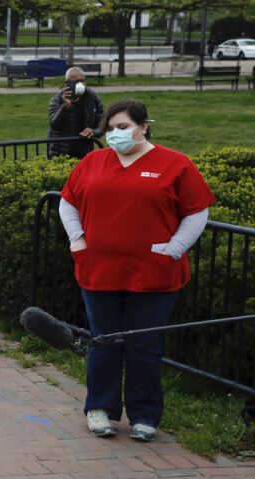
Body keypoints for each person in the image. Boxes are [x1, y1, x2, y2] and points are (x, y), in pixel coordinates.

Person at [59, 99, 214, 442]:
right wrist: (77, 239)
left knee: (144, 345)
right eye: (110, 129)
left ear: (144, 126)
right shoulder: (93, 161)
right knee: (104, 341)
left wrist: (174, 249)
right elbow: (67, 202)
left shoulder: (175, 164)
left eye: (124, 127)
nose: (116, 134)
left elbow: (196, 211)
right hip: (99, 270)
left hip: (154, 272)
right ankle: (101, 409)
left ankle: (144, 415)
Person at [48, 66, 104, 159]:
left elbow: (103, 125)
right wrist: (65, 106)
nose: (80, 84)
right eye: (76, 82)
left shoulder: (92, 98)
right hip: (61, 152)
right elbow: (54, 125)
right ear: (67, 83)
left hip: (85, 151)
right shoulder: (57, 99)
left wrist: (93, 132)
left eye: (82, 81)